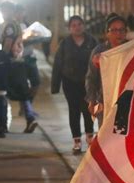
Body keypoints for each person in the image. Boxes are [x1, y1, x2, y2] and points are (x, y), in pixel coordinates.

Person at [52, 15, 98, 153]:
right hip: (70, 82)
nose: (77, 27)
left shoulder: (92, 41)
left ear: (83, 25)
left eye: (79, 24)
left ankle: (90, 137)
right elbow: (58, 64)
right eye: (74, 25)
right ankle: (76, 141)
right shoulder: (65, 43)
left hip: (88, 83)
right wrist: (55, 85)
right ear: (69, 28)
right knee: (74, 110)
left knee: (87, 109)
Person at [85, 13, 127, 128]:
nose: (118, 33)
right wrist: (92, 100)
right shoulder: (100, 52)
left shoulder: (131, 49)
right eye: (114, 30)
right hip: (105, 101)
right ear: (107, 33)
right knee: (105, 134)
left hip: (126, 101)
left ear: (126, 32)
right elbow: (91, 77)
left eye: (121, 30)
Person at [7, 35, 39, 133]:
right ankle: (30, 119)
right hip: (21, 82)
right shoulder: (24, 56)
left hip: (11, 81)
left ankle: (1, 124)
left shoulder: (10, 49)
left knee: (3, 100)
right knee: (25, 99)